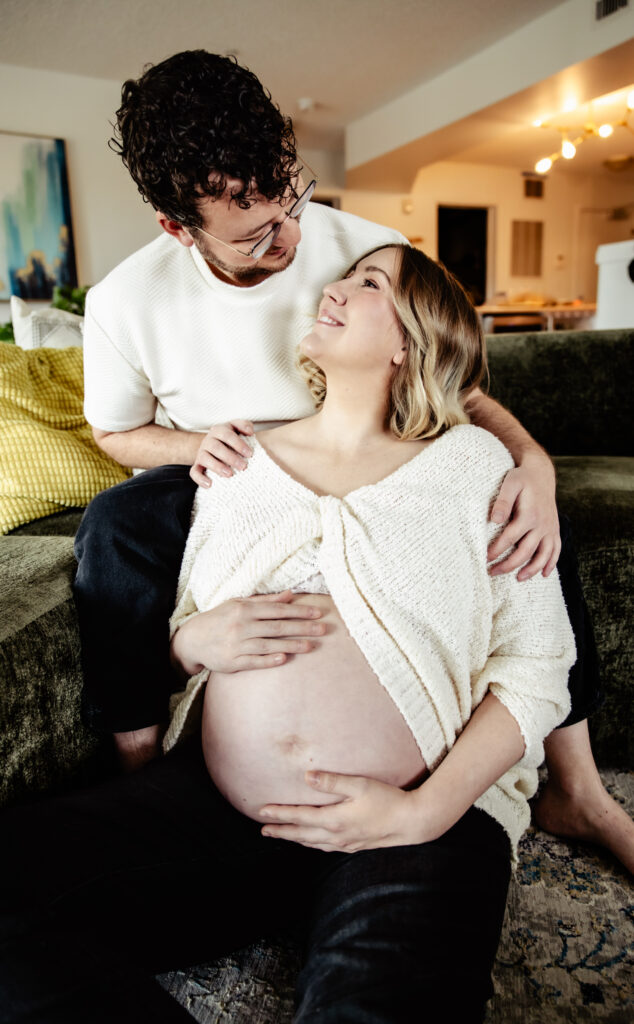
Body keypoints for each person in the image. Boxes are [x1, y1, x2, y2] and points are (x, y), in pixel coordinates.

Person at [73, 49, 634, 871]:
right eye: (258, 233)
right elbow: (115, 434)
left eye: (290, 196)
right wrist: (197, 444)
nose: (294, 237)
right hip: (233, 476)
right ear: (176, 227)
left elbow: (451, 382)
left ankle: (577, 788)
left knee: (523, 515)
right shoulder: (125, 302)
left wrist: (534, 465)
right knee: (115, 524)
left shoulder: (365, 246)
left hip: (377, 454)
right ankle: (144, 776)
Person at [0, 245, 576, 1022]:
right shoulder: (240, 464)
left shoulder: (473, 467)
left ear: (412, 338)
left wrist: (429, 810)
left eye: (370, 282)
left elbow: (538, 667)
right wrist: (189, 643)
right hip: (219, 817)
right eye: (346, 276)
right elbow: (182, 635)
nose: (335, 288)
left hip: (409, 826)